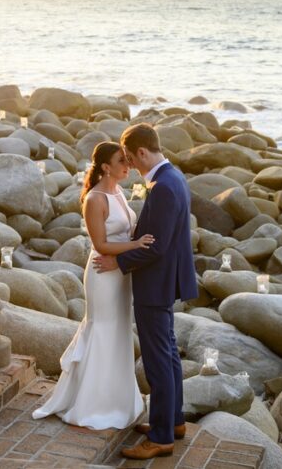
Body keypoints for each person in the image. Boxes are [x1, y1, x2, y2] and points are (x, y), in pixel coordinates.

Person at [93, 123, 198, 460]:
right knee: (167, 353)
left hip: (156, 283)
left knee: (158, 361)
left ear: (141, 152)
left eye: (131, 160)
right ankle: (174, 420)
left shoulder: (164, 187)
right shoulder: (174, 177)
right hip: (166, 280)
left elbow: (158, 247)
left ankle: (162, 438)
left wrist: (119, 264)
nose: (132, 168)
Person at [32, 141, 154, 429]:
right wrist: (136, 245)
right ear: (105, 167)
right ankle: (92, 404)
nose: (127, 166)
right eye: (121, 161)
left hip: (121, 274)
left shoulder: (120, 194)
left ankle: (119, 401)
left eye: (127, 160)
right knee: (101, 330)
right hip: (102, 274)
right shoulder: (95, 199)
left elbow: (127, 229)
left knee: (119, 332)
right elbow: (100, 244)